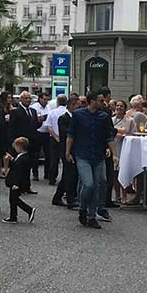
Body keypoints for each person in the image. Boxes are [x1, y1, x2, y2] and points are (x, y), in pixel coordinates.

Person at [66, 91, 117, 229]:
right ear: (92, 101)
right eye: (100, 100)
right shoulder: (78, 115)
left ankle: (92, 216)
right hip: (82, 154)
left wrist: (114, 153)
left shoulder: (104, 116)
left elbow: (109, 136)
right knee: (88, 184)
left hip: (98, 155)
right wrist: (67, 151)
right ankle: (83, 208)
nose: (103, 103)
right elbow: (71, 134)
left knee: (97, 185)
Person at [8, 91, 39, 193]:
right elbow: (12, 127)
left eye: (29, 98)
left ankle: (27, 186)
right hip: (20, 142)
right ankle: (18, 185)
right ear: (21, 99)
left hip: (31, 142)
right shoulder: (16, 112)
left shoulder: (33, 111)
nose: (28, 100)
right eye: (26, 98)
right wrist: (13, 141)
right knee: (19, 166)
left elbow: (34, 126)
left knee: (28, 165)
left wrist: (39, 122)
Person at [52, 96, 79, 208]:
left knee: (67, 175)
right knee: (70, 175)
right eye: (76, 105)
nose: (78, 107)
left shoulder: (74, 117)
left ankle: (57, 197)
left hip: (74, 149)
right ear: (71, 105)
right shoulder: (64, 118)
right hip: (66, 150)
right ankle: (70, 199)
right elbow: (65, 133)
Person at [2, 137, 36, 224]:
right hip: (16, 182)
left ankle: (27, 210)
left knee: (14, 199)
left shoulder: (22, 159)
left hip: (16, 182)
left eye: (16, 147)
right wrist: (12, 159)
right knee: (13, 199)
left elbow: (20, 172)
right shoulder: (22, 157)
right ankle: (14, 215)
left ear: (20, 147)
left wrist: (16, 184)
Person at [99, 86, 119, 210]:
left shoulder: (103, 110)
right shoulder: (105, 111)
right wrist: (115, 131)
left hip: (101, 145)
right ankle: (105, 200)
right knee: (108, 174)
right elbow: (109, 131)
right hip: (105, 146)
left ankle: (104, 199)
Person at [112, 100, 135, 204]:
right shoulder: (111, 120)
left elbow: (132, 133)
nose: (119, 107)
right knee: (115, 173)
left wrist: (121, 134)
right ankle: (117, 196)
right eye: (117, 105)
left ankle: (125, 195)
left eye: (121, 106)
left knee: (123, 172)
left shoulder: (130, 120)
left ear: (125, 109)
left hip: (124, 148)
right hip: (114, 147)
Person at [43, 94, 68, 186]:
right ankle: (65, 179)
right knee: (65, 159)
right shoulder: (67, 112)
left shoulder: (52, 112)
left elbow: (49, 126)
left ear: (57, 102)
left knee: (54, 159)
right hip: (65, 139)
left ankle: (52, 178)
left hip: (54, 138)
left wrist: (55, 137)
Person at [30, 93, 51, 181]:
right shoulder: (35, 107)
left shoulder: (48, 107)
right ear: (40, 99)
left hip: (47, 133)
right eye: (44, 99)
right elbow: (37, 119)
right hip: (38, 132)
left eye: (47, 100)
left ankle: (47, 174)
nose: (46, 101)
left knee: (48, 154)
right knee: (36, 154)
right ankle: (35, 173)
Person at [0, 91, 12, 178]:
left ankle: (5, 169)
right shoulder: (0, 107)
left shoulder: (11, 107)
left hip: (8, 130)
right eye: (8, 97)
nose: (10, 99)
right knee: (1, 152)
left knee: (6, 151)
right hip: (2, 131)